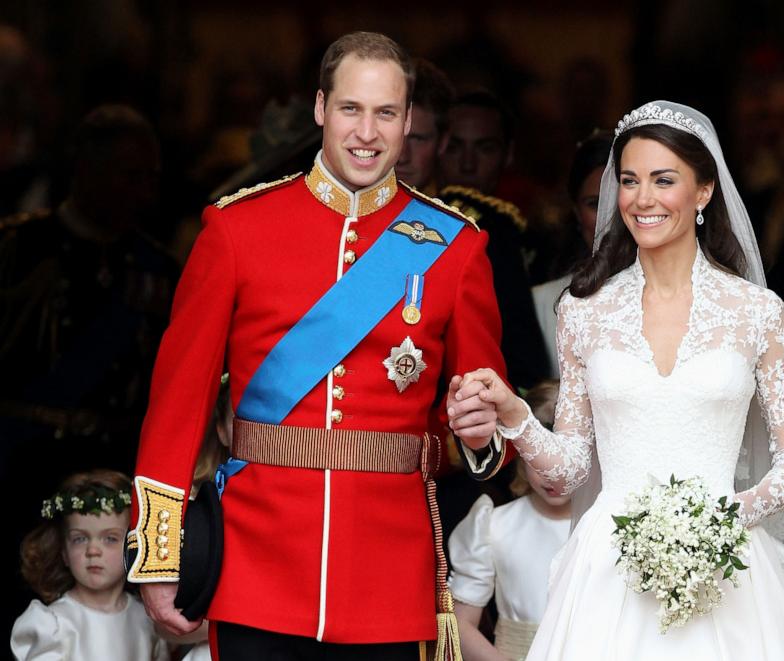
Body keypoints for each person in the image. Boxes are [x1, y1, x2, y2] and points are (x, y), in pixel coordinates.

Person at [128, 31, 510, 660]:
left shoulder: (456, 248)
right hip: (257, 566)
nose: (367, 131)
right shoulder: (236, 229)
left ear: (410, 121)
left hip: (389, 575)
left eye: (386, 113)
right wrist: (161, 554)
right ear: (319, 109)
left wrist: (478, 433)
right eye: (350, 109)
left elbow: (483, 426)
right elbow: (178, 402)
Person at [448, 100, 784, 659]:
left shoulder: (757, 311)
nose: (642, 199)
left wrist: (723, 519)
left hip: (725, 564)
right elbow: (571, 467)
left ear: (704, 192)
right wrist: (517, 416)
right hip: (608, 569)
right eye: (629, 180)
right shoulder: (585, 309)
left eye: (663, 180)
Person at [0, 104, 177, 636]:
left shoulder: (159, 268)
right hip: (25, 462)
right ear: (85, 168)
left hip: (117, 463)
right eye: (129, 175)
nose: (142, 192)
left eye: (150, 178)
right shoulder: (17, 251)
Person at [448, 380, 571, 661]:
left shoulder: (605, 526)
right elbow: (461, 623)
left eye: (560, 461)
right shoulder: (494, 524)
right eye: (537, 459)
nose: (550, 474)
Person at [438, 90, 549, 387]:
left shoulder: (522, 235)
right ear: (437, 148)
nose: (468, 164)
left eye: (484, 148)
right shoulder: (425, 227)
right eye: (454, 147)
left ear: (508, 154)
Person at [11, 469, 170, 661]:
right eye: (79, 539)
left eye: (110, 538)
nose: (93, 550)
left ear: (133, 547)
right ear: (63, 552)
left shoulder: (146, 619)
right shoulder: (54, 624)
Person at [531, 130, 612, 377]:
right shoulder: (542, 302)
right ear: (576, 212)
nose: (607, 219)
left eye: (618, 201)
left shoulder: (673, 296)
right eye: (595, 204)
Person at [394, 58, 454, 195]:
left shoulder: (461, 216)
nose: (402, 157)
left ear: (443, 142)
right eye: (393, 136)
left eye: (417, 139)